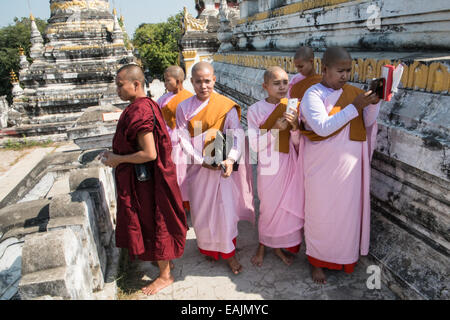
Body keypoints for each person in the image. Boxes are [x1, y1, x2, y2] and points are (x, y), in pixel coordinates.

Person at [101, 64, 188, 295]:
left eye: (121, 85)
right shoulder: (142, 105)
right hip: (143, 179)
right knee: (150, 222)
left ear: (136, 84)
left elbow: (150, 153)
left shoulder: (141, 110)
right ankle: (165, 264)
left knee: (152, 224)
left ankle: (165, 275)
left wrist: (117, 159)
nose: (117, 89)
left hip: (146, 182)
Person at [299, 47, 381, 284]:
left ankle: (345, 258)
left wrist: (374, 103)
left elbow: (367, 122)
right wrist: (354, 106)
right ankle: (316, 261)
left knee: (346, 216)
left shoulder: (353, 92)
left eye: (348, 70)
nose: (345, 75)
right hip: (321, 168)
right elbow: (322, 127)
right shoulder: (313, 94)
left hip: (350, 169)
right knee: (320, 215)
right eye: (340, 70)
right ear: (325, 69)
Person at [175, 61, 254, 275]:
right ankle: (209, 249)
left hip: (221, 167)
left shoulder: (225, 105)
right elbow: (182, 138)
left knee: (224, 210)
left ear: (214, 80)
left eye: (207, 81)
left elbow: (236, 134)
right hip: (198, 168)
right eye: (198, 81)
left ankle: (229, 254)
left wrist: (230, 159)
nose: (203, 86)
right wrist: (200, 159)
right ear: (191, 82)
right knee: (201, 212)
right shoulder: (183, 107)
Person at [247, 66, 304, 267]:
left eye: (285, 82)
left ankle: (279, 247)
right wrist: (274, 130)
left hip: (289, 163)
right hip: (269, 165)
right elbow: (254, 145)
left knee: (286, 209)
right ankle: (262, 246)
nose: (282, 87)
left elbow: (298, 144)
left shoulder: (292, 106)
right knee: (269, 208)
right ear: (265, 86)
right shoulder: (255, 110)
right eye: (276, 83)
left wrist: (296, 127)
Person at [157, 66, 194, 211]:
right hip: (167, 142)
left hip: (185, 142)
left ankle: (188, 205)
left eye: (167, 80)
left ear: (178, 81)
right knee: (173, 177)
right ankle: (177, 205)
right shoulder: (162, 99)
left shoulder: (190, 98)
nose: (165, 83)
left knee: (185, 176)